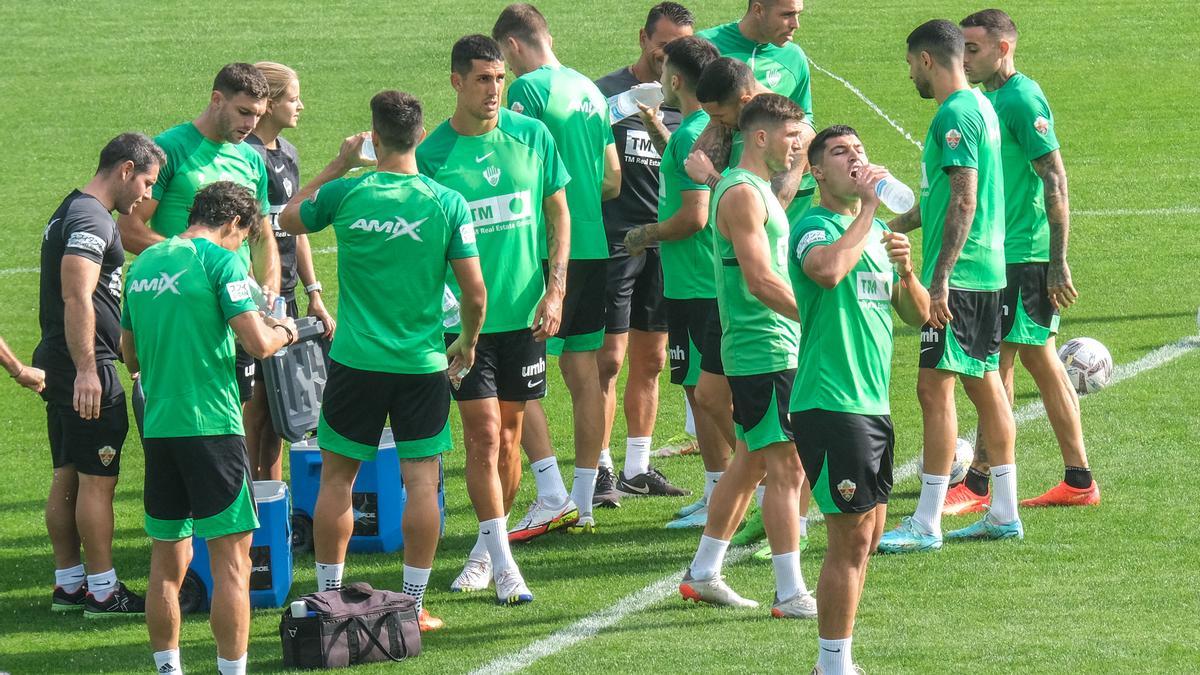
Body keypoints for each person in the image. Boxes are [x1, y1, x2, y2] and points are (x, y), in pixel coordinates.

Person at [280, 91, 485, 632]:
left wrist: (339, 163)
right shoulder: (446, 203)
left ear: (373, 137)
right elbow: (475, 293)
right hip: (422, 365)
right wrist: (467, 341)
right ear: (420, 135)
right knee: (421, 483)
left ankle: (329, 599)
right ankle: (413, 605)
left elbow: (288, 217)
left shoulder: (346, 193)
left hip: (355, 363)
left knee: (337, 481)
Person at [416, 34, 571, 600]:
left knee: (509, 437)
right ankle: (505, 566)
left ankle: (487, 551)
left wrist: (556, 291)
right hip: (465, 326)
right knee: (482, 436)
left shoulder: (532, 136)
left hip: (525, 316)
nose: (494, 89)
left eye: (500, 78)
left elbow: (559, 215)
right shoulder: (431, 156)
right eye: (483, 79)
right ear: (457, 82)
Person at [122, 182, 296, 675]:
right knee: (232, 564)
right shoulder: (220, 262)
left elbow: (130, 356)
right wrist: (286, 330)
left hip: (159, 427)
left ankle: (168, 670)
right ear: (235, 224)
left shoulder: (145, 264)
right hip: (213, 428)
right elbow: (259, 343)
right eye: (244, 237)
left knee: (166, 563)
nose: (242, 246)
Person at [791, 126, 930, 674]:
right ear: (816, 172)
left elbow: (919, 314)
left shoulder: (875, 237)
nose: (856, 158)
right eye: (840, 152)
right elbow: (826, 272)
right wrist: (870, 211)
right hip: (830, 402)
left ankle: (836, 660)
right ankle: (832, 665)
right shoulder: (813, 227)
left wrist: (906, 270)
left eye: (860, 150)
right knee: (848, 540)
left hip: (872, 405)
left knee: (868, 536)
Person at [879, 19, 1023, 553]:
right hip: (986, 269)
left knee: (933, 388)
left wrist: (938, 278)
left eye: (910, 65)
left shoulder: (955, 113)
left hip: (959, 276)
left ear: (927, 60)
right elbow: (940, 200)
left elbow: (964, 197)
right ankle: (1004, 512)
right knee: (984, 384)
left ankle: (926, 521)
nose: (910, 75)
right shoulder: (980, 106)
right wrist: (886, 227)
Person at [953, 8, 1096, 512]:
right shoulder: (989, 98)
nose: (963, 58)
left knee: (997, 365)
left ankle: (979, 482)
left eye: (972, 49)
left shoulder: (1020, 98)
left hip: (1023, 254)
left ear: (1002, 49)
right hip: (1006, 251)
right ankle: (1076, 479)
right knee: (1031, 360)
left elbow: (1054, 178)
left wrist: (1058, 261)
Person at [677, 94, 815, 618]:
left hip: (769, 342)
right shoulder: (740, 194)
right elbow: (758, 280)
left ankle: (704, 572)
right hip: (764, 345)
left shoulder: (753, 189)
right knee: (787, 466)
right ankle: (790, 592)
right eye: (791, 136)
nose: (798, 145)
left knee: (752, 459)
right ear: (760, 137)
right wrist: (816, 317)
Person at [492, 3, 622, 534]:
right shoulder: (590, 90)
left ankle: (549, 491)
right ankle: (584, 501)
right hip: (593, 244)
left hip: (543, 248)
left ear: (512, 45)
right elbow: (612, 178)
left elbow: (511, 167)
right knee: (583, 372)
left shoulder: (527, 91)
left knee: (513, 373)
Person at [34, 133, 163, 617]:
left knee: (67, 472)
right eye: (146, 182)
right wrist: (88, 370)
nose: (146, 196)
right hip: (84, 367)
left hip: (60, 361)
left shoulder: (72, 209)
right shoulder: (92, 217)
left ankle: (70, 584)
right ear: (126, 169)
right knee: (98, 479)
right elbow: (77, 293)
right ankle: (104, 592)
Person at [117, 62, 281, 415]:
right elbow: (129, 228)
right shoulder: (170, 149)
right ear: (217, 100)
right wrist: (195, 264)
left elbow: (262, 235)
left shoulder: (251, 160)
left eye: (258, 115)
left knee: (235, 416)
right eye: (243, 112)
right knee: (183, 414)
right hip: (184, 305)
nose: (251, 124)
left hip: (235, 306)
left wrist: (268, 289)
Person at [592, 1, 695, 504]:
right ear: (643, 38)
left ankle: (637, 466)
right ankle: (599, 468)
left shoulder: (686, 101)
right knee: (608, 360)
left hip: (665, 242)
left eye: (680, 47)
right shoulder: (605, 94)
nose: (669, 56)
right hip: (615, 241)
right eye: (664, 44)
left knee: (652, 359)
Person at [623, 35, 727, 528]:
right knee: (704, 391)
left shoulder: (691, 134)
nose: (660, 77)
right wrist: (656, 128)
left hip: (696, 285)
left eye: (665, 70)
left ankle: (730, 491)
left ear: (678, 79)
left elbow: (694, 216)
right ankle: (721, 490)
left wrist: (643, 234)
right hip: (701, 281)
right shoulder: (699, 129)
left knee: (705, 394)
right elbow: (687, 174)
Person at [242, 61, 336, 481]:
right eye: (294, 98)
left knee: (282, 411)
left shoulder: (289, 154)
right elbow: (242, 233)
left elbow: (295, 228)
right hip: (255, 301)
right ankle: (250, 498)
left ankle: (274, 497)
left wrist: (314, 293)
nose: (301, 106)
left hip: (287, 298)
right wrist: (255, 295)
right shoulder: (246, 156)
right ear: (270, 103)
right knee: (256, 411)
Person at [696, 0, 817, 221]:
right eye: (787, 15)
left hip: (768, 207)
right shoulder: (707, 46)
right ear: (758, 9)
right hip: (724, 202)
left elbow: (805, 117)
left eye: (798, 14)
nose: (795, 24)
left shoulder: (794, 58)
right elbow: (690, 117)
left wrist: (755, 93)